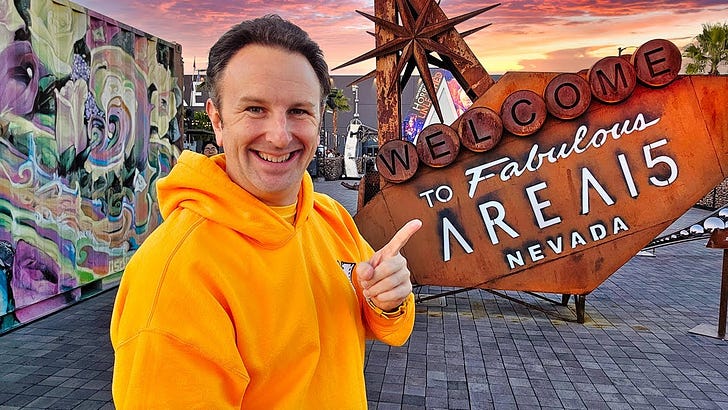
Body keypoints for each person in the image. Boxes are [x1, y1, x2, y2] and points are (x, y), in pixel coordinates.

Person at [110, 14, 422, 408]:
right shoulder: (176, 276)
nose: (279, 136)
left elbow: (384, 324)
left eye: (299, 111)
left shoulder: (328, 216)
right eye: (255, 109)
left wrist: (387, 300)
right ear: (218, 120)